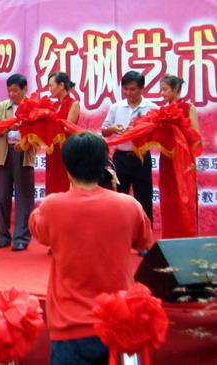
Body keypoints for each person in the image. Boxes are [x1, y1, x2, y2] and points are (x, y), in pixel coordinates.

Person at [29, 132, 152, 365]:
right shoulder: (129, 205)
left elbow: (39, 232)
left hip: (70, 327)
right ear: (105, 165)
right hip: (119, 325)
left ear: (67, 167)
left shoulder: (52, 206)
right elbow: (143, 241)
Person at [101, 71, 158, 224]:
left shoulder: (152, 108)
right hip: (120, 158)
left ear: (142, 88)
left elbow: (158, 134)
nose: (128, 93)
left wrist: (142, 131)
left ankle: (145, 235)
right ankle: (119, 233)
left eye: (132, 89)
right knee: (118, 198)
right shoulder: (116, 107)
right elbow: (104, 131)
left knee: (144, 199)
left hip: (141, 158)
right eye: (125, 89)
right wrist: (113, 128)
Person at [0, 74, 36, 251]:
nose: (12, 94)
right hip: (5, 153)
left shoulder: (33, 107)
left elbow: (38, 132)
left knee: (24, 198)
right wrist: (8, 126)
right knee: (2, 196)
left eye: (15, 90)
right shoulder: (2, 107)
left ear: (25, 89)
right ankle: (3, 237)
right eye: (9, 90)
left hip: (23, 154)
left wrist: (25, 143)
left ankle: (21, 238)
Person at [158, 74, 200, 238]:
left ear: (176, 89)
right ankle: (170, 236)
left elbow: (195, 136)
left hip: (184, 160)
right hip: (167, 159)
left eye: (165, 89)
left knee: (185, 198)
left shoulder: (188, 108)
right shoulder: (162, 110)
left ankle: (187, 236)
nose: (162, 93)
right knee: (168, 197)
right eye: (161, 90)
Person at [45, 72, 80, 195]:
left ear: (61, 85)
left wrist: (52, 125)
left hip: (66, 150)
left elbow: (68, 128)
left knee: (64, 182)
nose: (50, 89)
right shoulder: (53, 105)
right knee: (52, 183)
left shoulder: (73, 104)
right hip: (52, 150)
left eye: (51, 86)